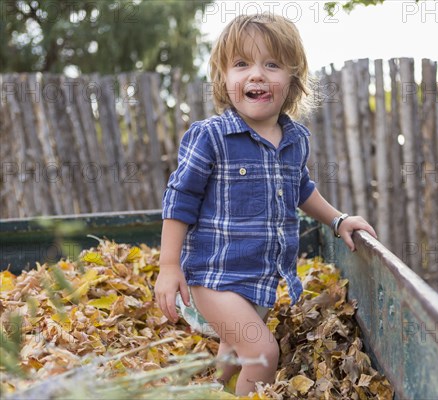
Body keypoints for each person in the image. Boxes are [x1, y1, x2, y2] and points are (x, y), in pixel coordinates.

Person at [154, 13, 377, 396]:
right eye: (242, 64)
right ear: (224, 77)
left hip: (261, 276)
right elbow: (181, 198)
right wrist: (169, 265)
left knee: (234, 348)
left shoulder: (294, 138)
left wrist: (337, 219)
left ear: (292, 79)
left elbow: (301, 188)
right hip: (215, 276)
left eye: (271, 64)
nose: (256, 75)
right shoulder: (211, 137)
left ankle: (209, 390)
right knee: (260, 353)